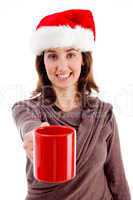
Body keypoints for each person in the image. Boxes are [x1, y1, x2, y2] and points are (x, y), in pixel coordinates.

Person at [11, 9, 131, 200]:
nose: (62, 66)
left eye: (71, 54)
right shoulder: (27, 109)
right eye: (52, 55)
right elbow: (27, 125)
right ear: (42, 62)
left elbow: (117, 179)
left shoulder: (104, 113)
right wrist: (34, 135)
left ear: (83, 59)